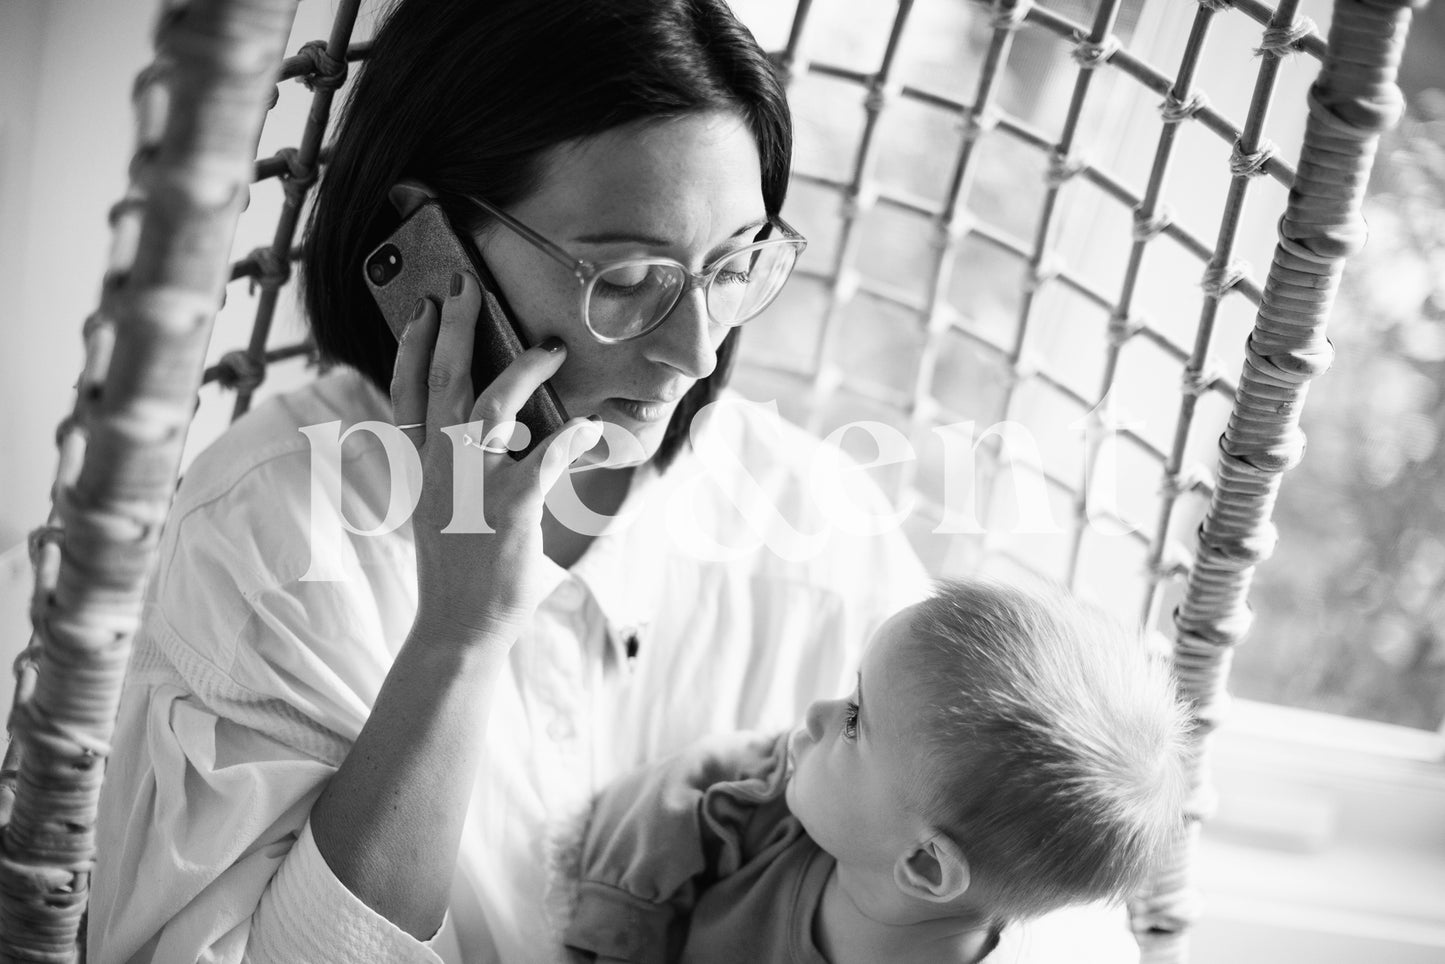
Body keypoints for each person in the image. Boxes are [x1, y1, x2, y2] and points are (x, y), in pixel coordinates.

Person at [88, 1, 1144, 962]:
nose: (691, 352)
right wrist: (456, 638)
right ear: (434, 239)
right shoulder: (268, 536)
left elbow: (1049, 898)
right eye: (629, 279)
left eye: (731, 267)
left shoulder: (809, 518)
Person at [562, 580, 1189, 964]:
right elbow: (676, 795)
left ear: (923, 865)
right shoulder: (774, 803)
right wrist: (625, 921)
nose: (816, 713)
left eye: (855, 720)